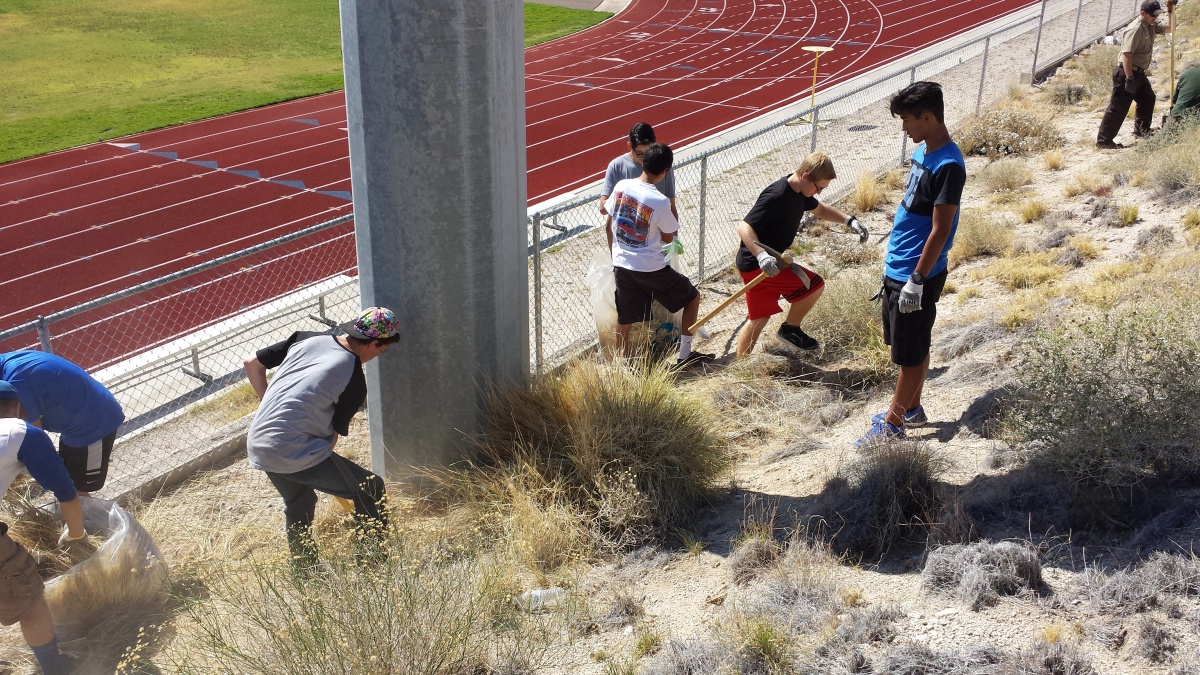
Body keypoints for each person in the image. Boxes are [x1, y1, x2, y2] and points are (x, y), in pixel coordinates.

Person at [242, 307, 400, 569]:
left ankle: (304, 570)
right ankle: (373, 567)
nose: (377, 357)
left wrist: (270, 404)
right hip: (292, 449)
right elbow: (330, 441)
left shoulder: (306, 337)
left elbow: (252, 363)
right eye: (381, 351)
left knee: (299, 501)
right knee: (370, 489)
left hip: (260, 441)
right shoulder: (353, 379)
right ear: (374, 343)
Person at [856, 81, 966, 446]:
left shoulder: (949, 165)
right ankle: (914, 408)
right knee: (912, 345)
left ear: (928, 117)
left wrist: (917, 280)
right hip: (900, 265)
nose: (904, 128)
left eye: (907, 120)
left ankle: (892, 424)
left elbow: (940, 229)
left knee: (910, 354)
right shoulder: (923, 152)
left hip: (915, 272)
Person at [734, 152, 870, 357]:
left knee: (759, 317)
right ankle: (790, 329)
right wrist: (762, 256)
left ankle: (740, 366)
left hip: (765, 262)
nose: (820, 193)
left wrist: (849, 221)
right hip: (758, 264)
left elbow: (821, 209)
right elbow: (744, 227)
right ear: (806, 175)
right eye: (819, 187)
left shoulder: (800, 193)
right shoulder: (777, 195)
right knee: (813, 285)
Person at [0, 381, 87, 675]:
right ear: (16, 407)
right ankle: (55, 667)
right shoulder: (20, 432)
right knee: (29, 600)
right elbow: (66, 492)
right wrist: (77, 535)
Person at [604, 143, 713, 367]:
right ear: (666, 171)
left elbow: (608, 211)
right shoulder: (660, 201)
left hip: (622, 263)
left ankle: (621, 364)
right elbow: (668, 237)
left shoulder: (622, 185)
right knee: (692, 297)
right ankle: (685, 355)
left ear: (643, 163)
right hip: (650, 267)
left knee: (625, 318)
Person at [0, 351, 125, 495]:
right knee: (70, 483)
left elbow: (31, 437)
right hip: (75, 423)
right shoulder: (7, 364)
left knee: (77, 490)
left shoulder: (18, 382)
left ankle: (91, 517)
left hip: (93, 424)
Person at [1096, 0, 1173, 149]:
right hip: (1126, 72)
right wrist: (1129, 78)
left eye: (1157, 15)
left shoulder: (1150, 25)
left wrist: (1170, 11)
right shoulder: (1135, 29)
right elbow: (1126, 55)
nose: (1155, 18)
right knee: (1118, 107)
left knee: (1148, 99)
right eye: (1153, 15)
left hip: (1139, 73)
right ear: (1143, 13)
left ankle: (1142, 131)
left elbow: (1169, 29)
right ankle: (1104, 141)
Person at [599, 122, 679, 252]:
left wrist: (674, 239)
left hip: (656, 246)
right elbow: (603, 208)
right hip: (627, 246)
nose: (646, 159)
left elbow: (671, 206)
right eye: (641, 154)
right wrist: (626, 199)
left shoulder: (661, 168)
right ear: (630, 146)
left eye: (648, 153)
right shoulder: (617, 166)